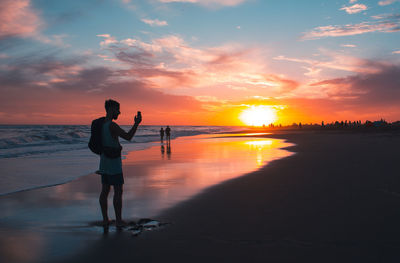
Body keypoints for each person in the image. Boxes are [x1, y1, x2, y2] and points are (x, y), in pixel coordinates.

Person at [98, 99, 142, 227]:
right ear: (111, 109)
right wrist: (136, 124)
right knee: (118, 190)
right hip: (113, 162)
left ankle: (105, 220)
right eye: (117, 109)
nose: (119, 112)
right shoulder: (112, 125)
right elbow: (128, 137)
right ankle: (118, 221)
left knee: (105, 190)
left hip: (104, 161)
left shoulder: (101, 124)